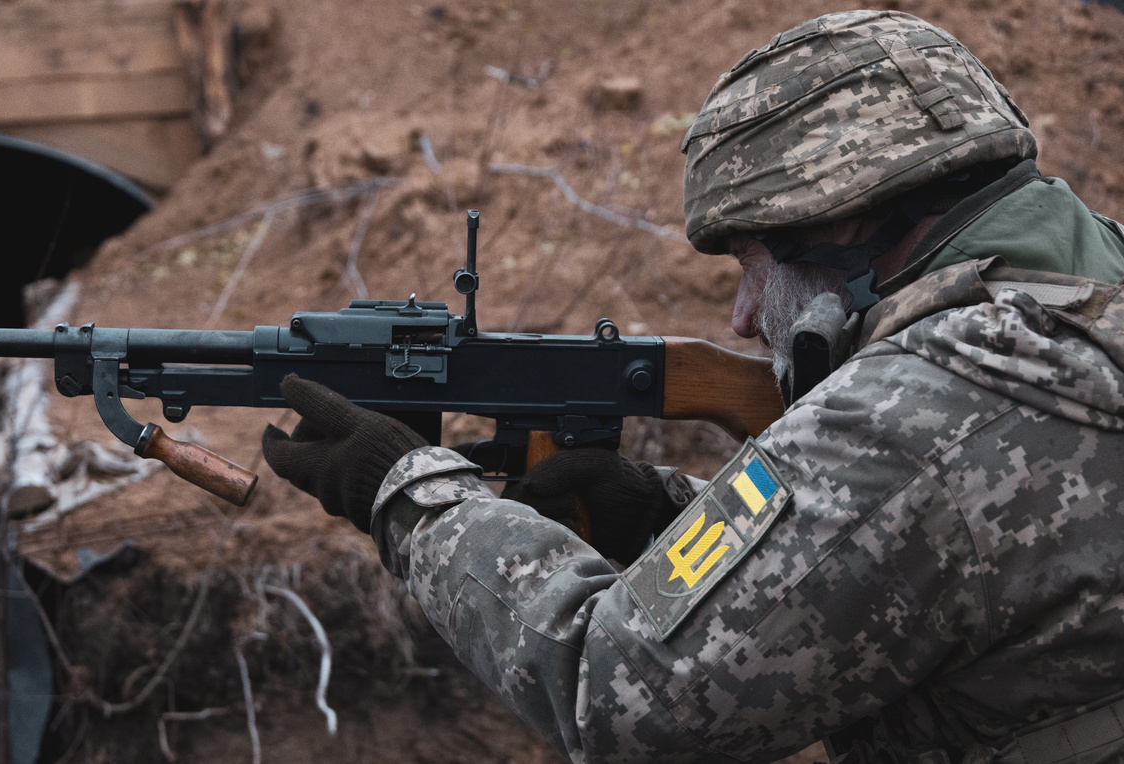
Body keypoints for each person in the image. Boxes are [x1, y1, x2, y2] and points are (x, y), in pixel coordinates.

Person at [262, 10, 1124, 763]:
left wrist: (409, 492)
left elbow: (616, 697)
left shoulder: (918, 412)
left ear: (841, 224)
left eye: (749, 266)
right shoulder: (1084, 308)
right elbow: (892, 549)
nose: (745, 317)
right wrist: (669, 519)